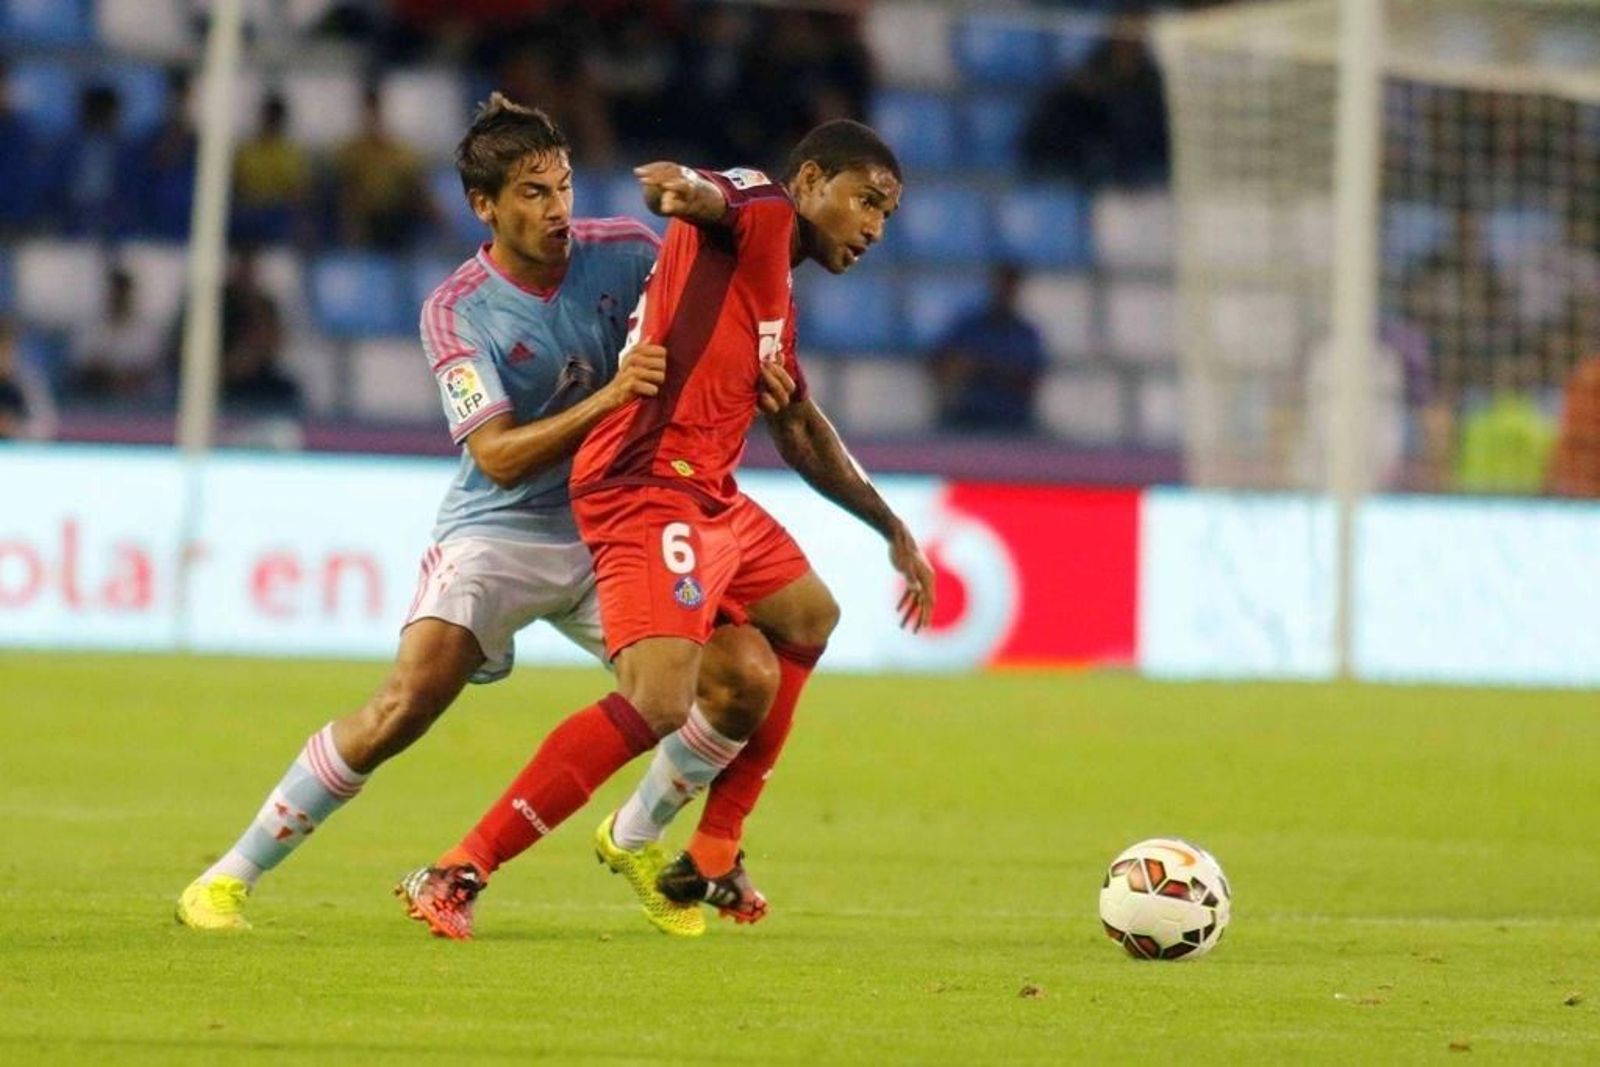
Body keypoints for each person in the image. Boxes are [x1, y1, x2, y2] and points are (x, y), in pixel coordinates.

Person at [175, 95, 791, 932]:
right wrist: (612, 394)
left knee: (735, 678)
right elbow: (495, 455)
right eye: (533, 193)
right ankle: (227, 876)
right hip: (499, 531)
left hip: (616, 525)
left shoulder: (625, 253)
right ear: (485, 206)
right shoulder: (457, 308)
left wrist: (766, 367)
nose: (558, 209)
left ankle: (638, 836)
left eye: (564, 186)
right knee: (402, 709)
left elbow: (712, 319)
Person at [398, 120, 936, 940]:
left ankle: (713, 849)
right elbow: (713, 197)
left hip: (707, 491)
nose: (873, 227)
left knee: (800, 623)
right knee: (658, 698)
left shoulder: (773, 298)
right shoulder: (761, 207)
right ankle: (460, 868)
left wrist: (889, 525)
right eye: (865, 201)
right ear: (811, 180)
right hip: (644, 482)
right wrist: (681, 188)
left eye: (887, 216)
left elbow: (796, 424)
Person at [929, 263, 1049, 434]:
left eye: (1009, 286)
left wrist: (982, 366)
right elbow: (940, 362)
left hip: (1013, 420)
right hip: (968, 416)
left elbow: (1028, 380)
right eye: (1001, 285)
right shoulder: (969, 326)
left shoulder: (1025, 334)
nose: (1004, 292)